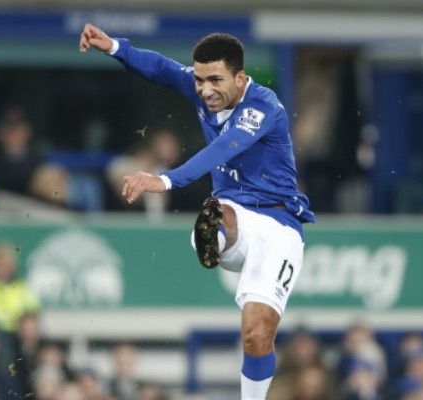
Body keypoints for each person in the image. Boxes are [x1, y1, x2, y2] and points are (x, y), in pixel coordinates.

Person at [80, 24, 315, 400]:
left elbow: (223, 149)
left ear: (240, 78)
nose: (205, 89)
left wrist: (166, 180)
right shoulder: (205, 85)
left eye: (215, 80)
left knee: (256, 334)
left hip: (279, 226)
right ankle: (214, 236)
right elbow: (159, 68)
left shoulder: (263, 106)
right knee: (217, 214)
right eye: (200, 79)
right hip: (235, 213)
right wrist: (113, 47)